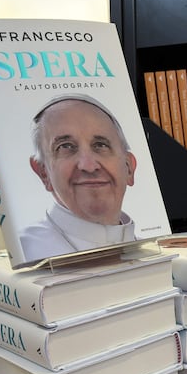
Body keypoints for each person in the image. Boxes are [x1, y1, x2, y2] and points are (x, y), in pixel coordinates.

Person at [19, 93, 138, 262]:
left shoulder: (160, 255)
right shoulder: (22, 252)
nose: (88, 166)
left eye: (100, 145)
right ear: (43, 173)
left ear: (129, 168)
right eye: (66, 147)